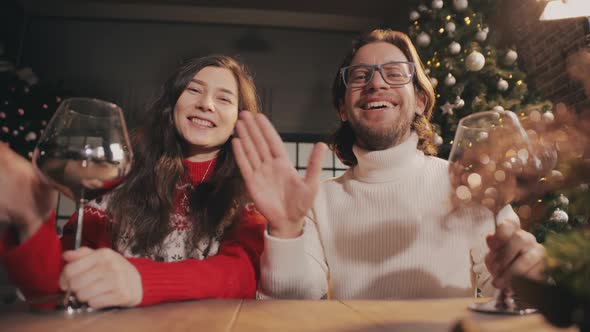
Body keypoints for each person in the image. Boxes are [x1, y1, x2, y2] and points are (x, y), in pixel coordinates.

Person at [231, 29, 545, 299]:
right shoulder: (316, 202)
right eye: (360, 76)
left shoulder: (468, 184)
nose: (376, 84)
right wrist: (285, 230)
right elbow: (295, 304)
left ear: (420, 101)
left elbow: (510, 291)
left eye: (394, 73)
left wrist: (527, 272)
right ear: (343, 108)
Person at [0, 55, 266, 309]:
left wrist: (140, 280)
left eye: (223, 98)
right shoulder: (121, 179)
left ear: (237, 122)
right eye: (194, 90)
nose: (206, 104)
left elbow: (242, 274)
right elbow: (60, 286)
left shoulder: (251, 191)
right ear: (172, 104)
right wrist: (33, 223)